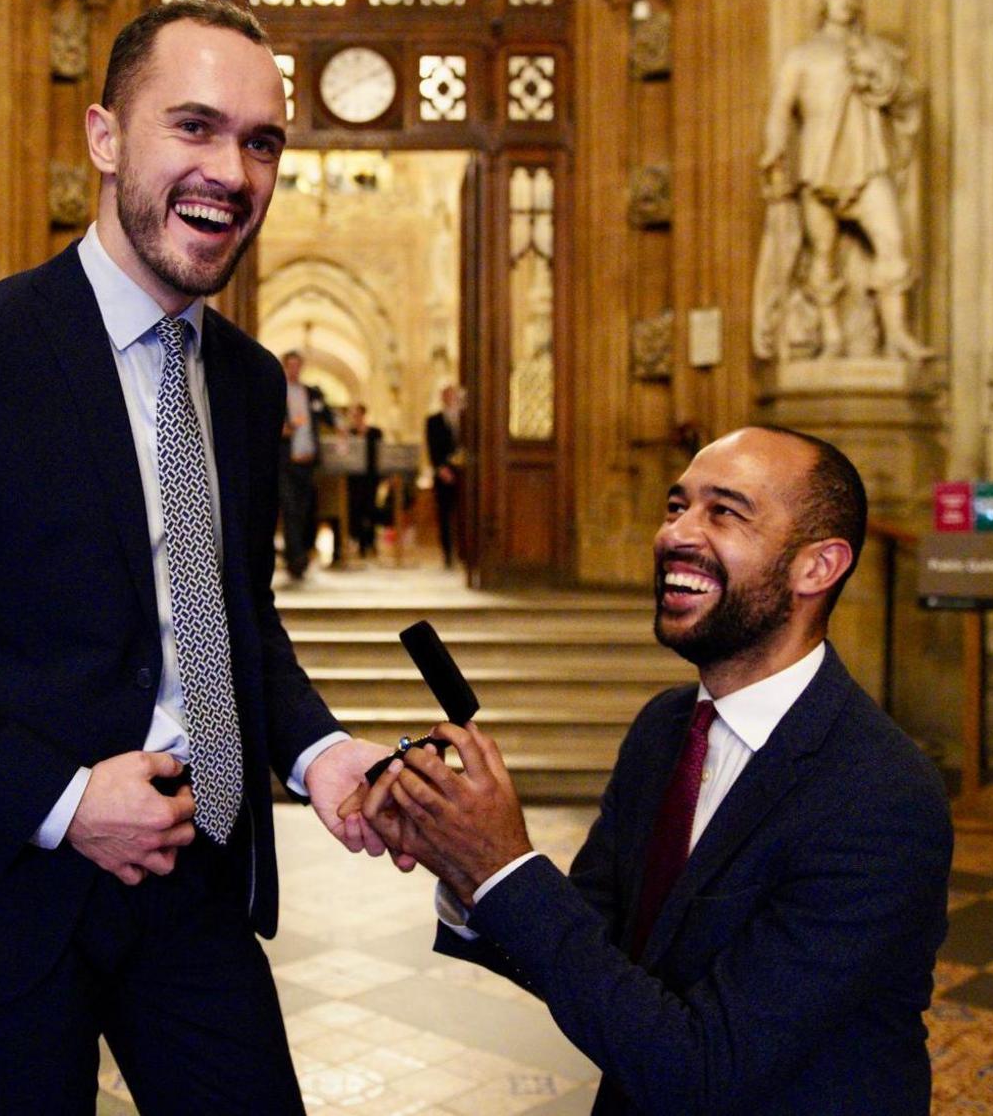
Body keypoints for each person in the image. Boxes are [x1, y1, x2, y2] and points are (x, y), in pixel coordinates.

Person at [0, 0, 398, 1115]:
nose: (231, 169)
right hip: (5, 884)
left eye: (260, 141)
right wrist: (63, 798)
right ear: (105, 137)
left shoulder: (248, 380)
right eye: (194, 126)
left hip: (195, 880)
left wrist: (319, 753)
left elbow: (232, 618)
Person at [366, 426, 953, 1115]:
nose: (676, 532)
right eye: (677, 506)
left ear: (817, 567)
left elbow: (704, 1071)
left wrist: (503, 865)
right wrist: (463, 859)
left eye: (723, 511)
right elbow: (588, 949)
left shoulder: (878, 793)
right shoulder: (665, 728)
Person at [755, 0, 930, 363]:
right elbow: (780, 111)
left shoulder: (873, 49)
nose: (846, 2)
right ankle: (831, 335)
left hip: (866, 161)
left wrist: (879, 74)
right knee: (823, 251)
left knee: (893, 240)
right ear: (824, 1)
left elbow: (906, 96)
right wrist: (774, 149)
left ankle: (898, 334)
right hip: (818, 164)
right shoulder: (801, 56)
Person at [278, 349, 331, 579]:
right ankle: (296, 560)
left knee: (305, 510)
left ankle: (299, 555)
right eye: (290, 365)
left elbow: (326, 416)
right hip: (286, 460)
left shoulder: (310, 393)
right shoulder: (277, 391)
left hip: (308, 460)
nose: (294, 369)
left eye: (297, 365)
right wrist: (282, 429)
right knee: (289, 510)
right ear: (285, 367)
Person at [425, 384, 465, 568]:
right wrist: (441, 468)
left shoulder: (466, 419)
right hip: (443, 474)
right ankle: (447, 553)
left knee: (464, 513)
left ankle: (464, 551)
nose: (452, 399)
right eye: (448, 396)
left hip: (464, 474)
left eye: (454, 396)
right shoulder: (433, 421)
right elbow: (432, 448)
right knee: (444, 514)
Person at [343, 403, 384, 560]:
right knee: (356, 510)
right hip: (355, 478)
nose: (356, 417)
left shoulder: (375, 432)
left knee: (371, 509)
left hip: (371, 477)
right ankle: (359, 543)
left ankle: (371, 542)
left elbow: (381, 453)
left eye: (358, 414)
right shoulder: (349, 433)